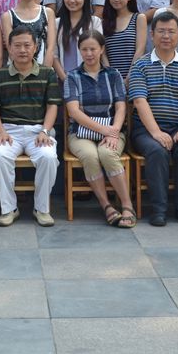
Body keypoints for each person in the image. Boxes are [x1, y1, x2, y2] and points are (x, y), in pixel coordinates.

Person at [128, 12, 178, 226]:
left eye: (171, 31)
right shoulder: (141, 65)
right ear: (152, 35)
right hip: (146, 130)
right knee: (157, 150)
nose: (166, 36)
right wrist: (156, 133)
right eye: (161, 31)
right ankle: (158, 210)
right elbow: (139, 101)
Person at [0, 26, 61, 227]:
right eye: (17, 45)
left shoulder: (47, 73)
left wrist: (45, 130)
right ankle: (9, 209)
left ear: (35, 47)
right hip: (9, 132)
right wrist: (1, 131)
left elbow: (52, 105)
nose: (22, 50)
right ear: (9, 48)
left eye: (27, 45)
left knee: (48, 157)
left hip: (38, 131)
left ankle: (42, 209)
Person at [64, 30, 135, 227]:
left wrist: (114, 131)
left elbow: (121, 107)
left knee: (107, 153)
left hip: (113, 130)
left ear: (102, 49)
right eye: (84, 49)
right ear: (80, 50)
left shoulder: (113, 74)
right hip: (80, 133)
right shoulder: (72, 76)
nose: (89, 54)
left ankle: (127, 205)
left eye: (93, 49)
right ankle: (106, 206)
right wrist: (105, 130)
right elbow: (73, 111)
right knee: (90, 156)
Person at [1, 0, 55, 66]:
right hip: (17, 70)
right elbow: (11, 49)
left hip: (43, 69)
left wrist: (45, 71)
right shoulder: (8, 16)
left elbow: (50, 48)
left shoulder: (48, 13)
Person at [53, 0, 104, 81]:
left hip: (90, 79)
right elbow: (54, 55)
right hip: (63, 80)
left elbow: (99, 51)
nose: (72, 0)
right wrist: (65, 79)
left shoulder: (95, 22)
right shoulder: (56, 23)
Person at [102, 0, 146, 80]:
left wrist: (129, 77)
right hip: (111, 79)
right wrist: (111, 76)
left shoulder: (139, 18)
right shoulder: (104, 22)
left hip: (134, 77)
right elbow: (103, 53)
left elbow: (140, 50)